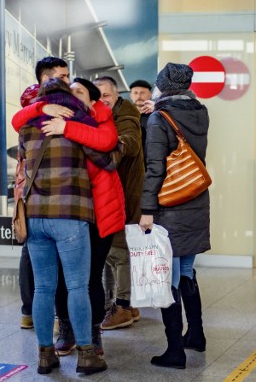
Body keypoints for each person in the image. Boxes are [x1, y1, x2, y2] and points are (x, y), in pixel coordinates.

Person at [13, 78, 125, 358]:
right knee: (78, 285)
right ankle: (87, 353)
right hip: (69, 215)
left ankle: (44, 354)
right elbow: (106, 158)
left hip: (36, 216)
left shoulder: (27, 129)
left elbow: (23, 160)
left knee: (43, 288)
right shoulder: (79, 125)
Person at [139, 62, 211, 370]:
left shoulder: (159, 118)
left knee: (168, 278)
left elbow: (156, 167)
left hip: (170, 205)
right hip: (195, 200)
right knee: (186, 273)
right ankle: (195, 334)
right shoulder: (200, 111)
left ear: (162, 86)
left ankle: (174, 351)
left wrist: (147, 210)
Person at [16, 56, 70, 330]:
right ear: (44, 79)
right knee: (35, 254)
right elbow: (18, 121)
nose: (67, 81)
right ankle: (33, 313)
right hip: (36, 186)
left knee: (36, 254)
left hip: (43, 187)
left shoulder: (44, 103)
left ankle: (35, 314)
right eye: (61, 77)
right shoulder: (35, 102)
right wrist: (44, 106)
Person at [94, 76, 145, 330]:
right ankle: (124, 304)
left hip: (122, 196)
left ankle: (122, 306)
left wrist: (109, 147)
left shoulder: (125, 114)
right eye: (98, 95)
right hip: (113, 195)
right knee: (110, 253)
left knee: (118, 253)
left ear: (116, 95)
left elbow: (132, 143)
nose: (102, 100)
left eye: (106, 95)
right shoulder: (105, 114)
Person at [129, 79, 154, 159]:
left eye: (142, 93)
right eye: (135, 93)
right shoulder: (124, 116)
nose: (139, 96)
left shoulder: (155, 116)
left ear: (150, 94)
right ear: (130, 95)